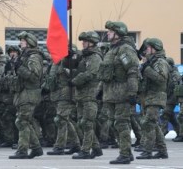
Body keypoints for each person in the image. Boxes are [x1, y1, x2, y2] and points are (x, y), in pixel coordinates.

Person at [98, 21, 139, 164]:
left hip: (122, 94)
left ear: (117, 33)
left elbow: (133, 71)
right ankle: (125, 152)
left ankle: (126, 154)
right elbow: (105, 74)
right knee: (115, 124)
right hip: (110, 94)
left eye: (110, 31)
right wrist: (99, 91)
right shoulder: (111, 50)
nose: (107, 33)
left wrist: (132, 92)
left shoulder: (125, 49)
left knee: (122, 124)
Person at [8, 31, 43, 159]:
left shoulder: (34, 57)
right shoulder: (25, 56)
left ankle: (22, 150)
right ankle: (36, 148)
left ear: (29, 43)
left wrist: (20, 68)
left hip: (29, 93)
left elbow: (34, 77)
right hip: (23, 93)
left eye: (23, 40)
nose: (20, 42)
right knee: (23, 122)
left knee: (22, 121)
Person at [70, 31, 103, 159]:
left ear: (91, 42)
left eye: (85, 41)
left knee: (87, 123)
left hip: (90, 94)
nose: (82, 43)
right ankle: (96, 148)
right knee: (82, 123)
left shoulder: (95, 57)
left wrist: (75, 81)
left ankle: (85, 150)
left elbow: (91, 74)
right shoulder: (84, 56)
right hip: (81, 94)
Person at [136, 38, 169, 159]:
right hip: (150, 96)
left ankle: (148, 151)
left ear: (154, 49)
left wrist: (147, 70)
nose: (146, 50)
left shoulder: (160, 62)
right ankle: (162, 151)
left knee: (148, 123)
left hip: (157, 96)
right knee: (153, 124)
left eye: (148, 48)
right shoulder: (151, 62)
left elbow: (161, 78)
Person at [46, 45, 81, 156]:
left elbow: (74, 72)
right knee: (65, 119)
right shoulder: (54, 62)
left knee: (60, 119)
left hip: (66, 93)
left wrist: (69, 58)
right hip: (57, 94)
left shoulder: (68, 61)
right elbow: (51, 78)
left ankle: (59, 146)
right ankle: (76, 144)